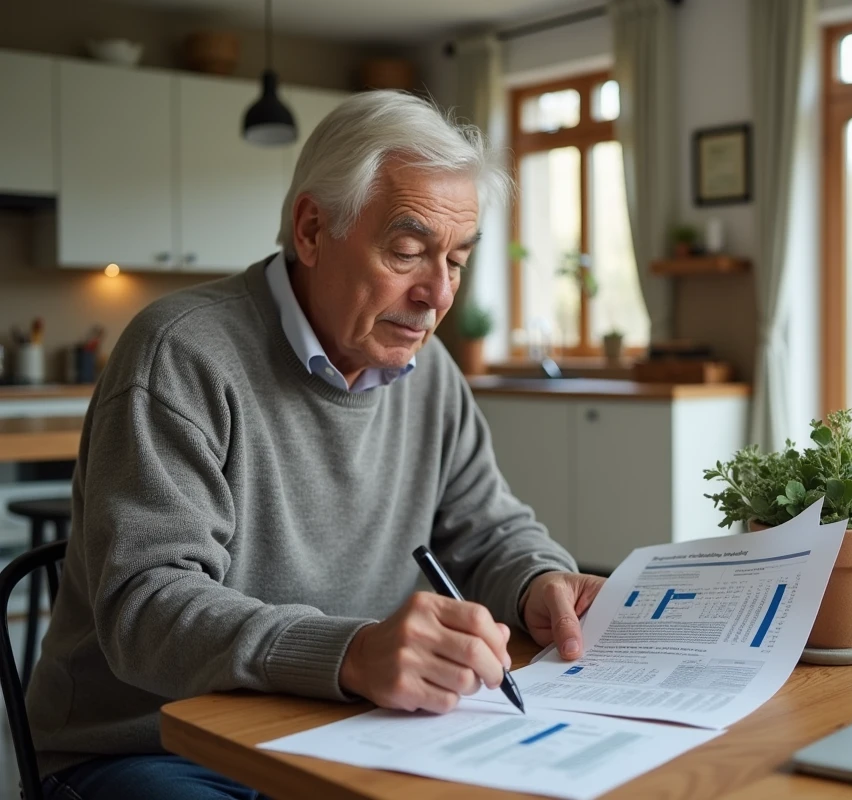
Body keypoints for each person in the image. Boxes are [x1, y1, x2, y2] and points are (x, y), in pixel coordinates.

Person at [27, 90, 605, 800]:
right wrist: (353, 653)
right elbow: (147, 607)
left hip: (342, 726)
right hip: (151, 742)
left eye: (455, 259)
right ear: (310, 229)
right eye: (408, 250)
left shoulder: (429, 373)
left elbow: (488, 530)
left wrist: (539, 582)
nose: (438, 294)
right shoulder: (181, 354)